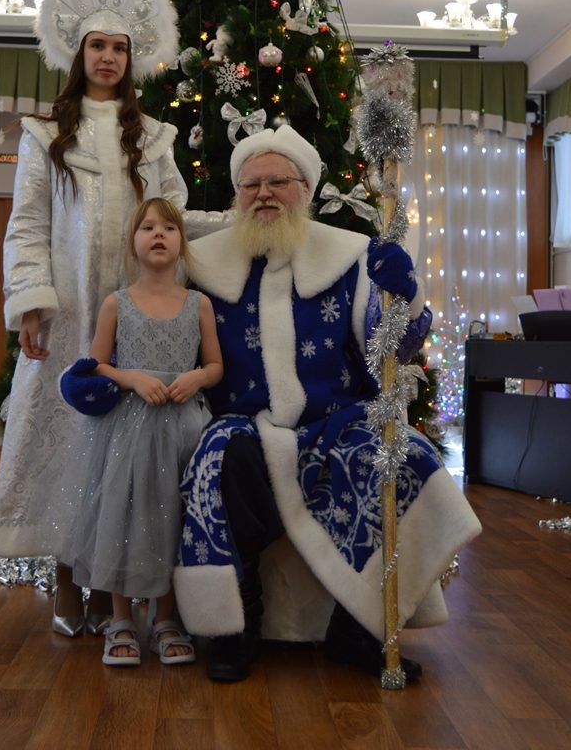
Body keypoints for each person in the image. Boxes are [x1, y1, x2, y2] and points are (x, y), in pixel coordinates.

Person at [172, 125, 482, 683]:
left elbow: (393, 352)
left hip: (336, 420)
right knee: (218, 461)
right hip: (240, 422)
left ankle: (360, 630)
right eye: (250, 185)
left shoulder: (351, 258)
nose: (263, 194)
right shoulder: (200, 264)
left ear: (305, 188)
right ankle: (234, 627)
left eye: (277, 182)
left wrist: (406, 297)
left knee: (403, 455)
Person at [0, 0, 192, 637]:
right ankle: (66, 579)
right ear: (79, 53)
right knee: (67, 444)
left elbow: (172, 217)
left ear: (131, 59)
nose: (108, 57)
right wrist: (31, 303)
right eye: (97, 46)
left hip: (135, 318)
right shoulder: (44, 135)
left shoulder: (154, 139)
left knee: (123, 452)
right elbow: (26, 223)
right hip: (69, 316)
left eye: (119, 48)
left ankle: (115, 587)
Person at [58, 197, 223, 666]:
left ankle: (165, 620)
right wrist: (131, 377)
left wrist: (196, 377)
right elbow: (95, 366)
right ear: (133, 243)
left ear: (181, 243)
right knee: (125, 514)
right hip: (129, 428)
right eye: (148, 227)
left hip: (183, 427)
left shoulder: (199, 304)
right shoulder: (117, 303)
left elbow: (215, 365)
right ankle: (121, 619)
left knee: (173, 516)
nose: (158, 235)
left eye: (168, 228)